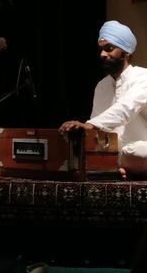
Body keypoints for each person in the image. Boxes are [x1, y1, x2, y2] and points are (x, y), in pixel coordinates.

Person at [59, 20, 147, 180]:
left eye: (109, 49)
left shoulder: (143, 77)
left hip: (140, 151)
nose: (102, 54)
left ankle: (118, 167)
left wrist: (89, 124)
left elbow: (125, 109)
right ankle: (117, 167)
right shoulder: (101, 86)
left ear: (126, 52)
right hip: (114, 154)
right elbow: (98, 133)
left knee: (138, 152)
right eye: (101, 50)